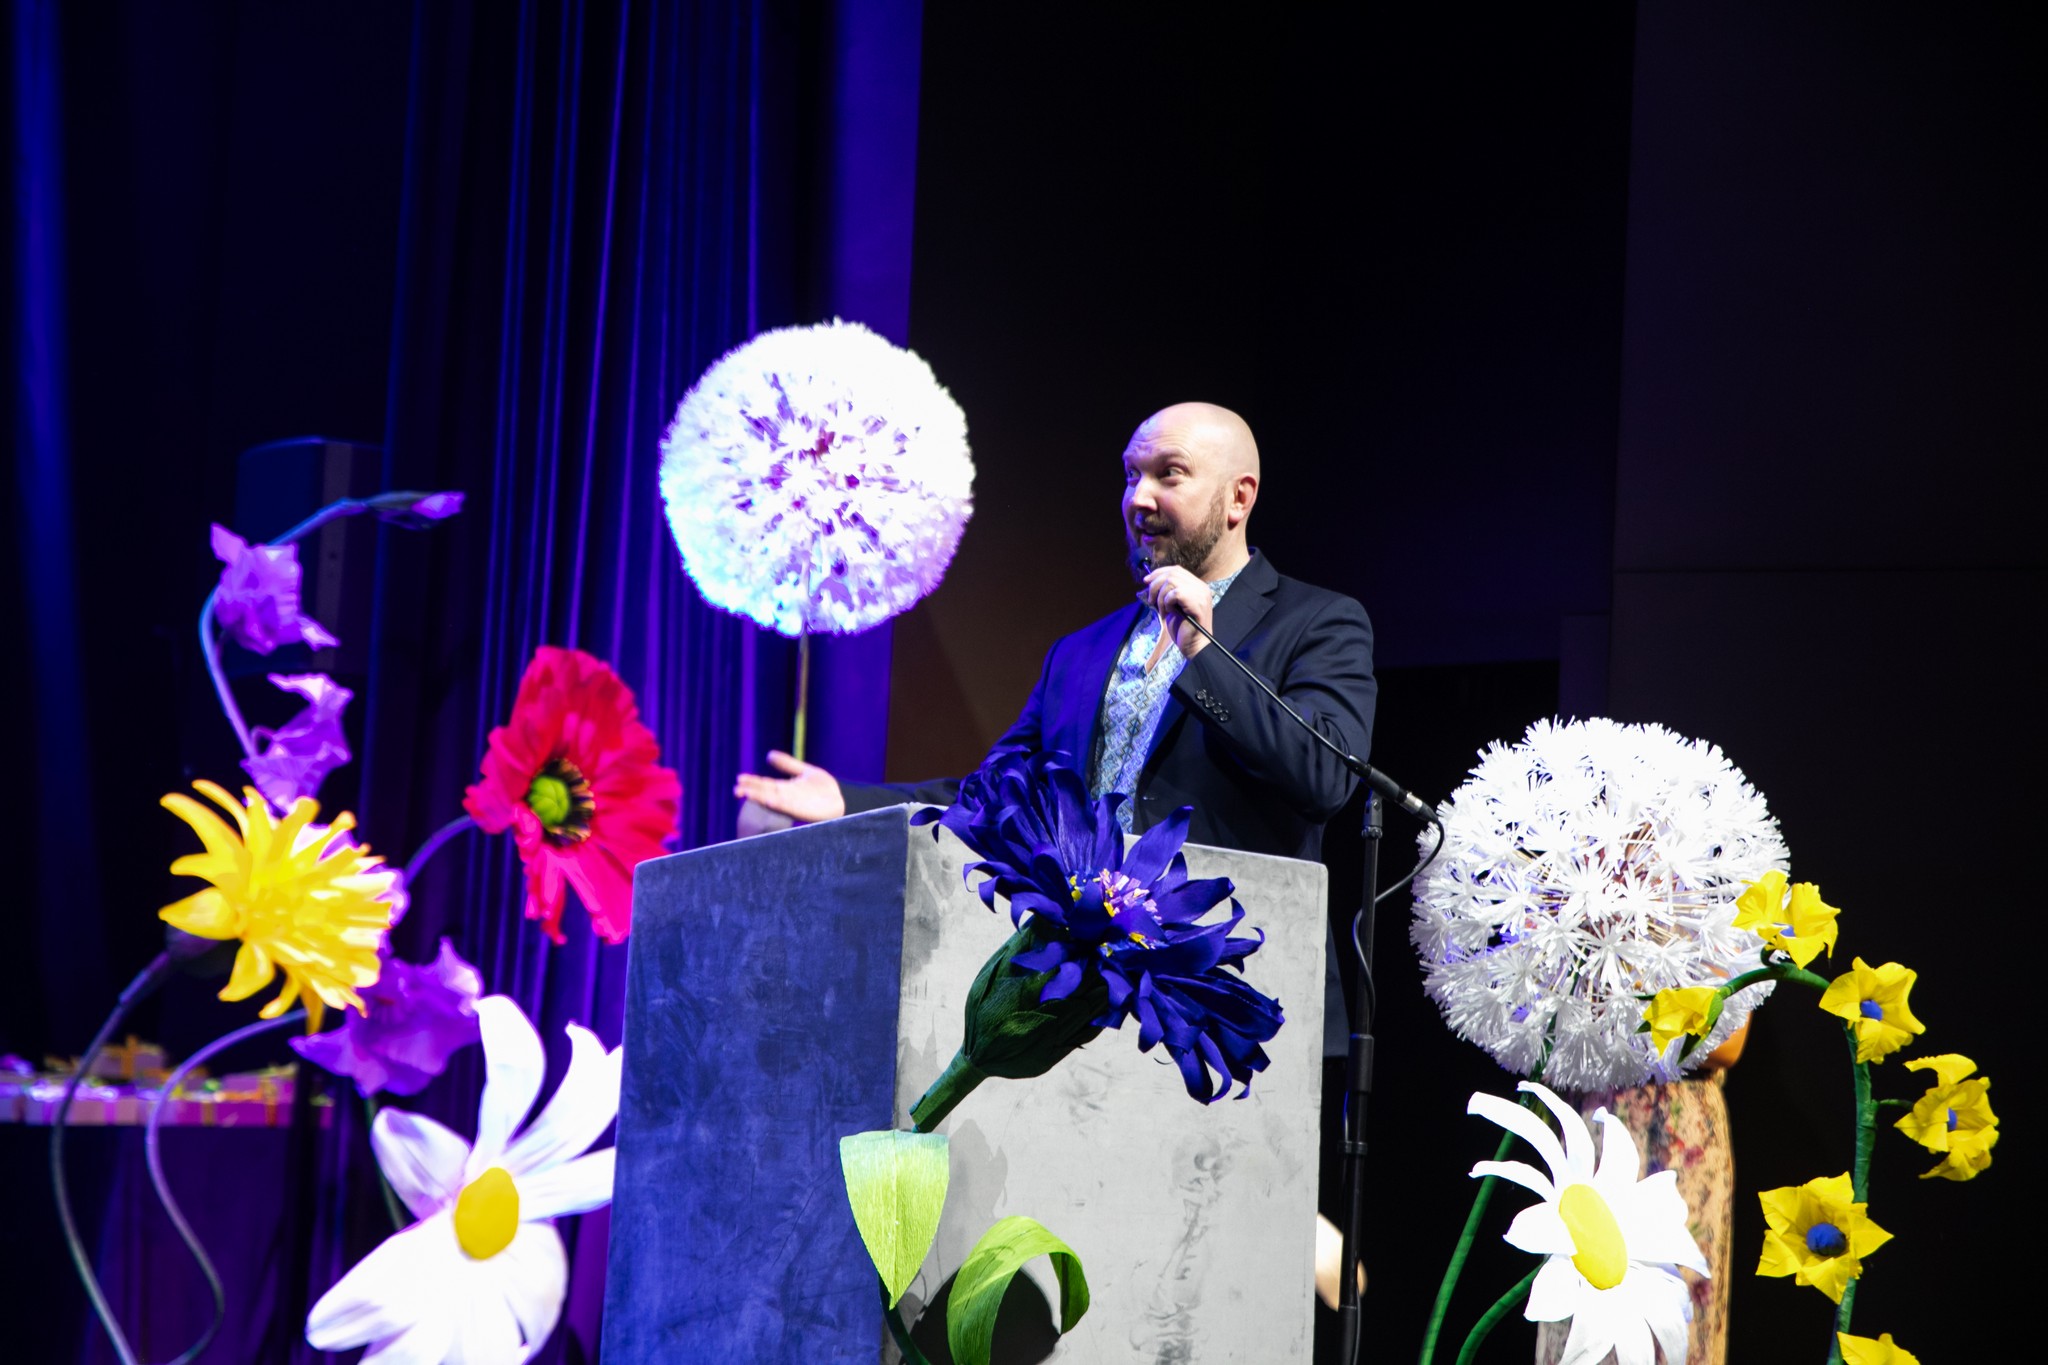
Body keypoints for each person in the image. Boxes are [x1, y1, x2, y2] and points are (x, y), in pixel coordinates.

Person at [735, 400, 1379, 1301]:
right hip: (1086, 1002)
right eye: (1130, 475)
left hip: (1218, 1005)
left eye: (1168, 474)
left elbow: (1326, 773)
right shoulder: (1082, 652)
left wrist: (1201, 650)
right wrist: (849, 800)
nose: (1138, 497)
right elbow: (997, 794)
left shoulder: (1316, 622)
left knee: (1224, 1277)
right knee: (1115, 1269)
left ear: (1239, 498)